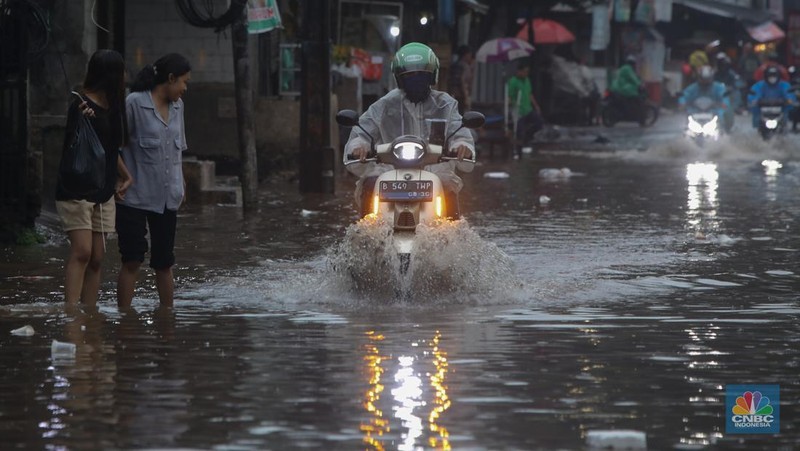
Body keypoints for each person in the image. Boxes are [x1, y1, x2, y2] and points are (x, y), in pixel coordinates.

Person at [344, 42, 474, 218]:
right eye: (410, 75)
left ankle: (452, 236)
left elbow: (459, 132)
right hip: (389, 169)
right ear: (400, 78)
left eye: (421, 75)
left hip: (434, 169)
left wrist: (461, 145)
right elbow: (363, 132)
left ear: (432, 76)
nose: (416, 79)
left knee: (446, 186)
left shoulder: (445, 104)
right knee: (370, 183)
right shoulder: (384, 105)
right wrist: (359, 146)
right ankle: (366, 236)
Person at [55, 49, 133, 311]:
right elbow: (74, 146)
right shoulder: (80, 105)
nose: (125, 76)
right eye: (122, 71)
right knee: (83, 252)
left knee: (98, 257)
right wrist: (81, 120)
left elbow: (110, 149)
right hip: (76, 191)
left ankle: (90, 311)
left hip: (104, 191)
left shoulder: (114, 106)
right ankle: (71, 311)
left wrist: (125, 175)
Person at [116, 53, 191, 309]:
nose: (185, 88)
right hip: (134, 196)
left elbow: (177, 151)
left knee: (164, 262)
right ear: (169, 79)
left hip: (167, 197)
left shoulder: (178, 107)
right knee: (132, 259)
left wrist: (182, 184)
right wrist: (123, 177)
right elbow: (114, 145)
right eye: (183, 82)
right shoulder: (134, 103)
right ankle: (124, 318)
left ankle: (167, 318)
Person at [679, 65, 732, 133]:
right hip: (695, 111)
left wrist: (724, 104)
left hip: (714, 111)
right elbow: (684, 95)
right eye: (703, 79)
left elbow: (724, 96)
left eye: (707, 79)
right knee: (686, 124)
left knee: (724, 118)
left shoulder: (718, 87)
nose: (705, 81)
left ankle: (725, 132)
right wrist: (682, 103)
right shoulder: (692, 88)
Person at [507, 61, 544, 157]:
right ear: (519, 71)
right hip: (518, 111)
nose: (526, 74)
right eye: (524, 71)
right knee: (519, 131)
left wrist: (536, 105)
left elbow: (530, 94)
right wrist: (510, 104)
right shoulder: (513, 81)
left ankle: (528, 137)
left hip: (528, 109)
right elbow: (509, 96)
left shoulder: (527, 80)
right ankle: (519, 150)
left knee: (539, 123)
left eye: (527, 72)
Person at [609, 55, 643, 120]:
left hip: (616, 87)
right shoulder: (628, 68)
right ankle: (630, 114)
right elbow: (633, 78)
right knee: (635, 96)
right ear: (632, 63)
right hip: (622, 88)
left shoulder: (623, 68)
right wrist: (639, 84)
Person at [449, 45, 475, 114]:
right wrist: (466, 97)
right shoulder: (465, 66)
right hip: (461, 96)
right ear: (466, 55)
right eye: (469, 54)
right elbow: (463, 82)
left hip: (452, 94)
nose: (470, 56)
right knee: (462, 116)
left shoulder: (454, 65)